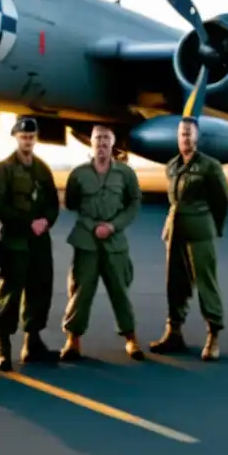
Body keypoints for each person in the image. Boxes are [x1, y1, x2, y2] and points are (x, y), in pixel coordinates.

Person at [60, 125, 144, 362]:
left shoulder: (125, 174)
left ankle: (131, 338)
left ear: (113, 142)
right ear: (91, 143)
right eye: (98, 139)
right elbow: (71, 202)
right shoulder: (78, 174)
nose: (102, 143)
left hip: (115, 241)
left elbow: (134, 204)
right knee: (80, 291)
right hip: (86, 242)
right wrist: (92, 225)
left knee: (120, 291)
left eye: (106, 138)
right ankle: (73, 340)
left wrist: (113, 226)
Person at [149, 117, 228, 361]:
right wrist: (169, 226)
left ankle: (213, 336)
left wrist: (214, 227)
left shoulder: (209, 166)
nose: (184, 137)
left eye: (188, 133)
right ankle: (174, 332)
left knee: (206, 283)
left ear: (197, 137)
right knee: (175, 282)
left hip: (200, 230)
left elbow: (222, 200)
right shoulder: (172, 166)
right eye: (181, 134)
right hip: (176, 230)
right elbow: (174, 199)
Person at [0, 116, 60, 370]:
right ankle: (3, 343)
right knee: (10, 292)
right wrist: (26, 223)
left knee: (41, 288)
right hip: (15, 240)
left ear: (35, 138)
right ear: (16, 137)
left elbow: (53, 202)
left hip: (40, 240)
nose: (27, 141)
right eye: (23, 137)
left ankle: (33, 341)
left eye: (31, 137)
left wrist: (46, 222)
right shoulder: (3, 169)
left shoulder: (42, 169)